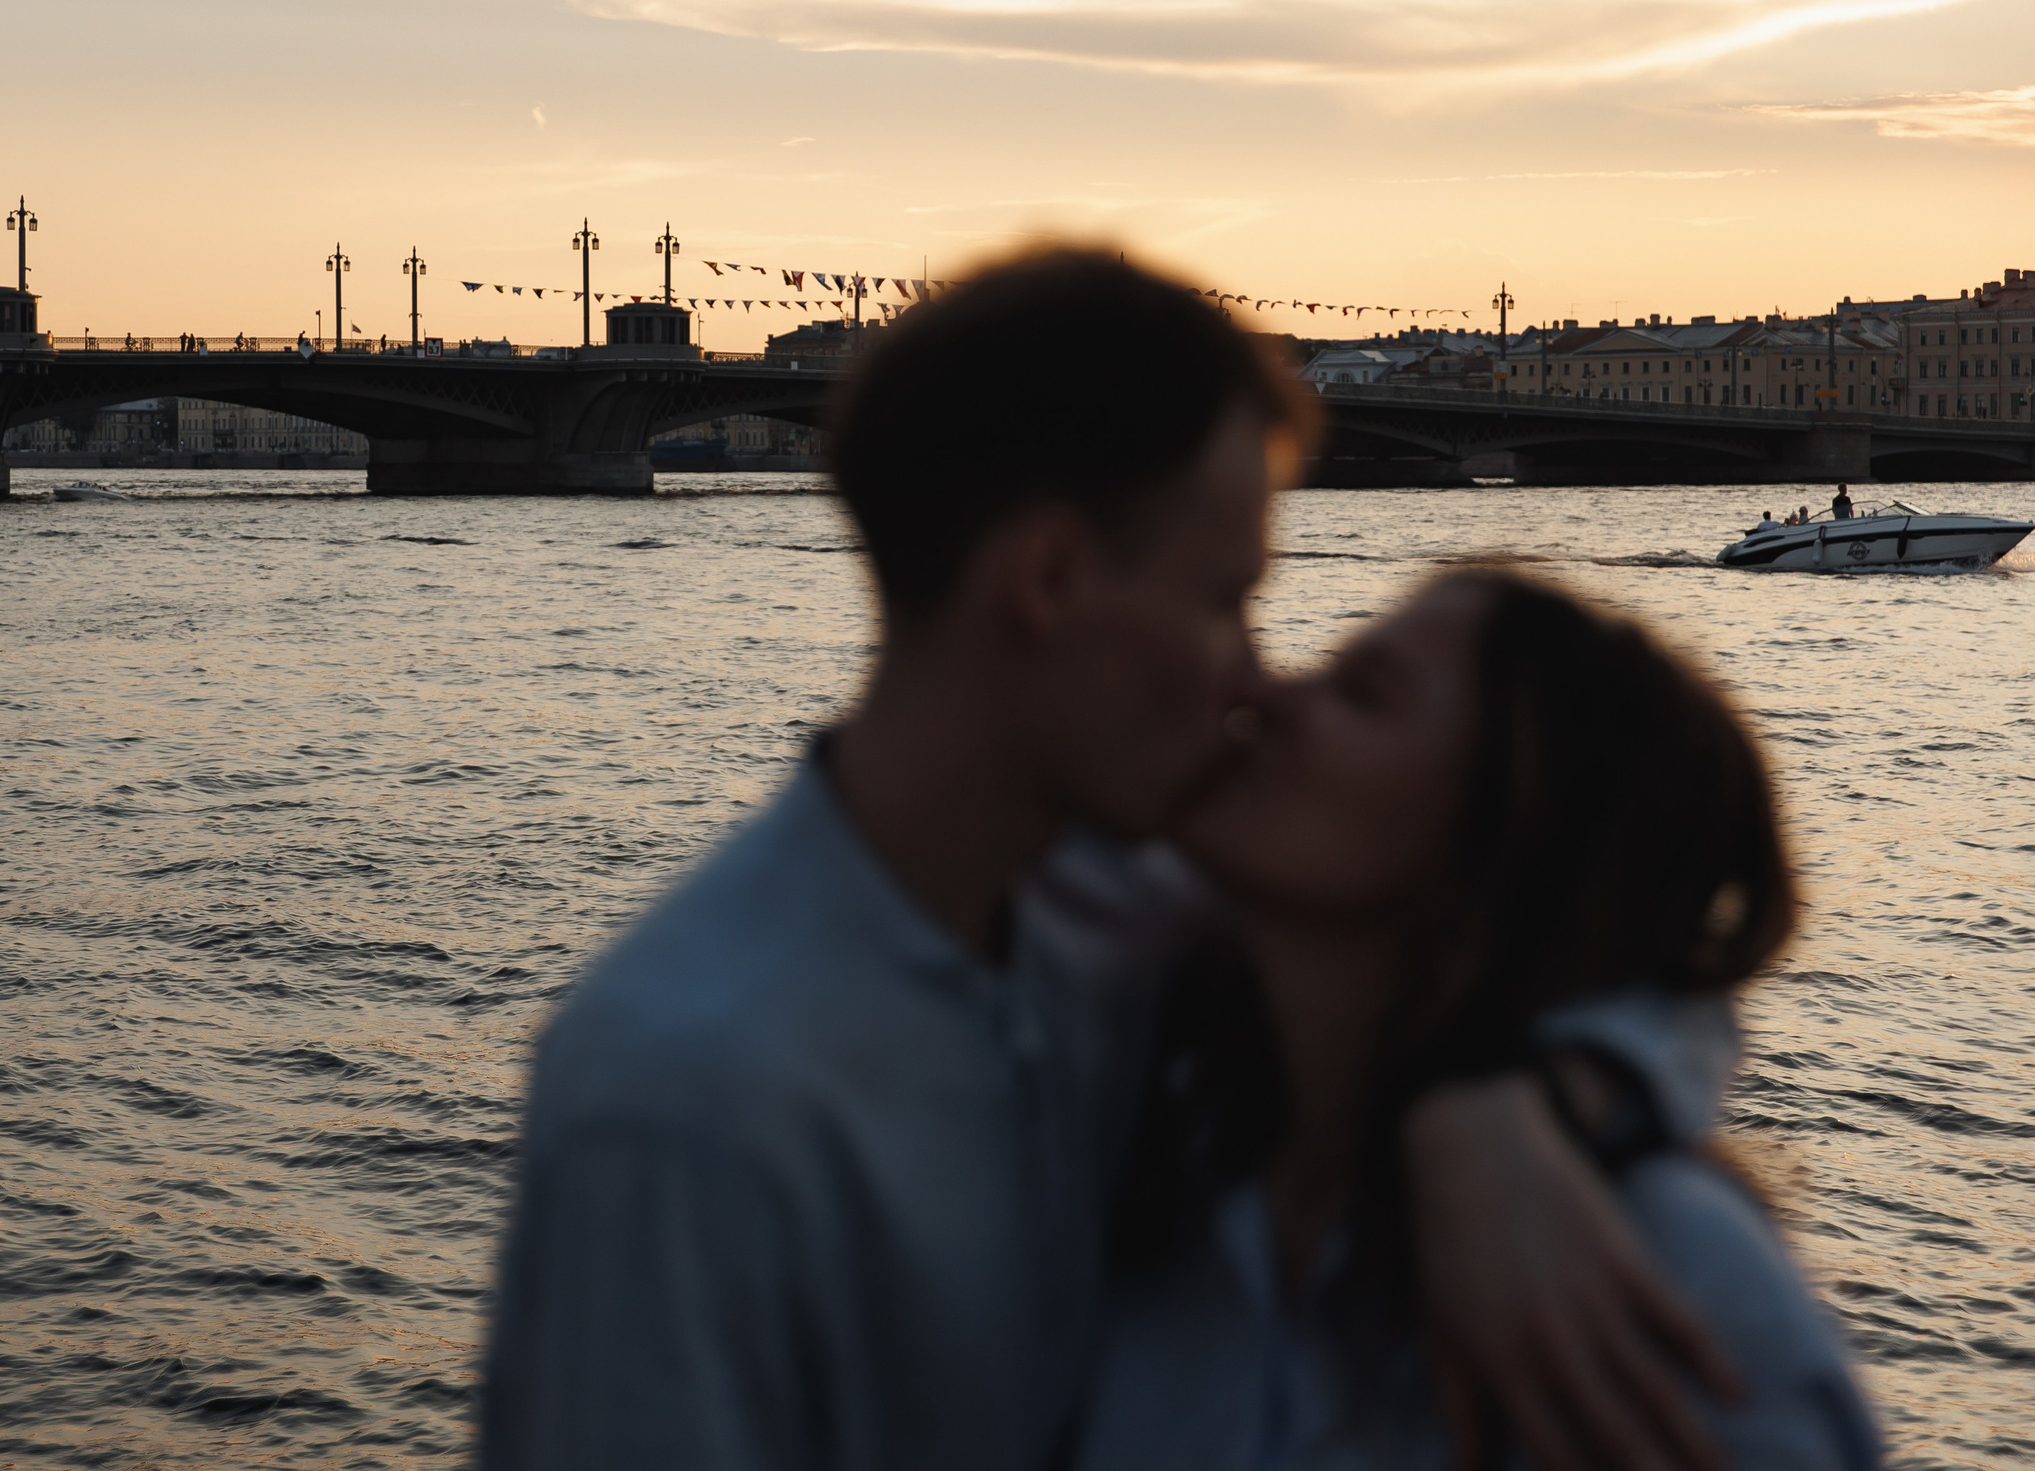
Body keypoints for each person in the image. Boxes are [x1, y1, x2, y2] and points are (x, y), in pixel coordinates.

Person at [481, 250, 1731, 1471]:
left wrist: (1490, 1105)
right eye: (1223, 600)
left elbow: (1618, 954)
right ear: (1050, 579)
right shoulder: (682, 1099)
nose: (1256, 679)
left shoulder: (1134, 910)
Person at [1080, 568, 1880, 1471]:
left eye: (1363, 693)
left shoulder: (1674, 1282)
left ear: (1503, 838)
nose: (1264, 691)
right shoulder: (1160, 1153)